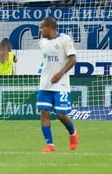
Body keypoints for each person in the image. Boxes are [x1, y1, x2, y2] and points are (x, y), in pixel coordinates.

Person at [37, 16, 78, 152]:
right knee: (44, 113)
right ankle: (50, 144)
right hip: (45, 85)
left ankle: (72, 133)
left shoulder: (64, 40)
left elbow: (73, 59)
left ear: (49, 27)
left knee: (61, 114)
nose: (40, 30)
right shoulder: (42, 43)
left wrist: (60, 74)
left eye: (42, 27)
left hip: (61, 84)